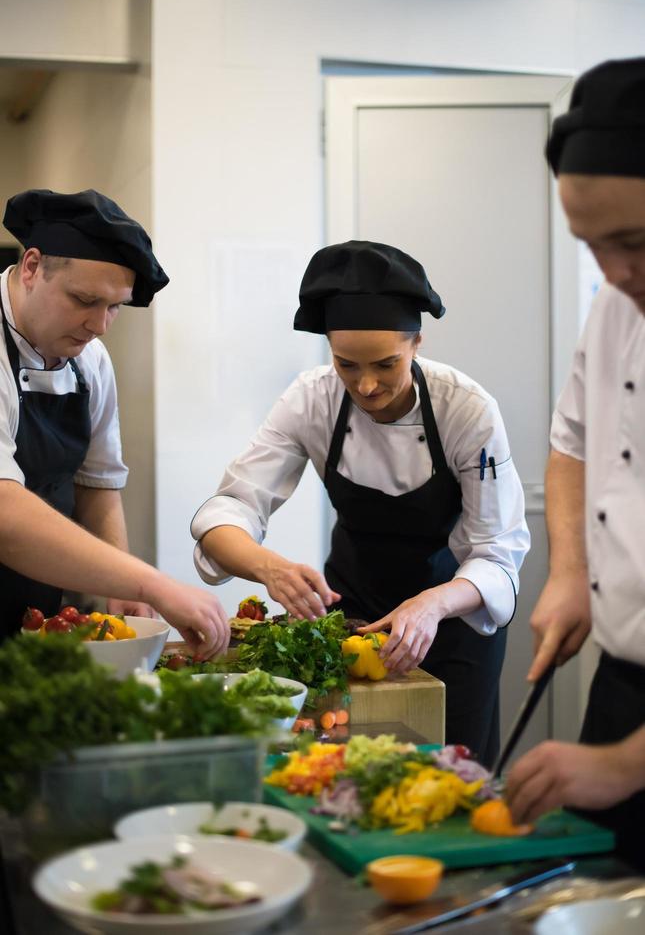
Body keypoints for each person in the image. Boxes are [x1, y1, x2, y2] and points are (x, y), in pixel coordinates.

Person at [191, 240, 529, 766]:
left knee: (452, 779)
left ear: (417, 344)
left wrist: (432, 604)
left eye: (387, 365)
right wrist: (269, 568)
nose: (367, 386)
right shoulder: (312, 399)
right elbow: (228, 509)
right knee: (343, 770)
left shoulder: (466, 410)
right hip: (353, 623)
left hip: (454, 626)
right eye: (347, 365)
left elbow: (496, 554)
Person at [506, 58, 645, 868]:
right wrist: (569, 571)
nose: (615, 274)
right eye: (592, 247)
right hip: (622, 681)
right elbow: (573, 445)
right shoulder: (613, 305)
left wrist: (624, 766)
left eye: (633, 242)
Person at [0, 188, 229, 658]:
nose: (100, 325)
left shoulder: (91, 361)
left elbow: (98, 483)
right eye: (85, 300)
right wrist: (150, 581)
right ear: (31, 267)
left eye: (115, 307)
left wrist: (123, 586)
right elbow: (4, 514)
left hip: (33, 611)